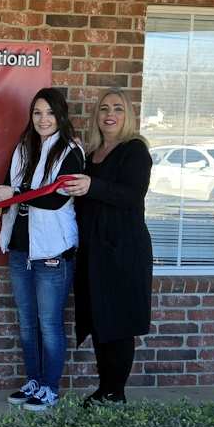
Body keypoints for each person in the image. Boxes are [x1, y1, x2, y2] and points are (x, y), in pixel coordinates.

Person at [0, 87, 84, 411]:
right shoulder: (23, 147)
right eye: (37, 113)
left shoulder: (71, 151)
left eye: (50, 113)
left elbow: (54, 199)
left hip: (53, 252)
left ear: (61, 115)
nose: (43, 119)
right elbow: (7, 191)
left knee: (49, 324)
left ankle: (50, 387)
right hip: (20, 249)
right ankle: (34, 380)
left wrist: (12, 192)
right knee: (27, 324)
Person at [63, 88, 153, 405]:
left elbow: (132, 195)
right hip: (94, 250)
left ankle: (116, 392)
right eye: (103, 109)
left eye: (117, 108)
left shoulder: (135, 151)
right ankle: (105, 388)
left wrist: (92, 186)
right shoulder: (91, 153)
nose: (109, 114)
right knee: (100, 318)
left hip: (123, 249)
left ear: (127, 115)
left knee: (118, 321)